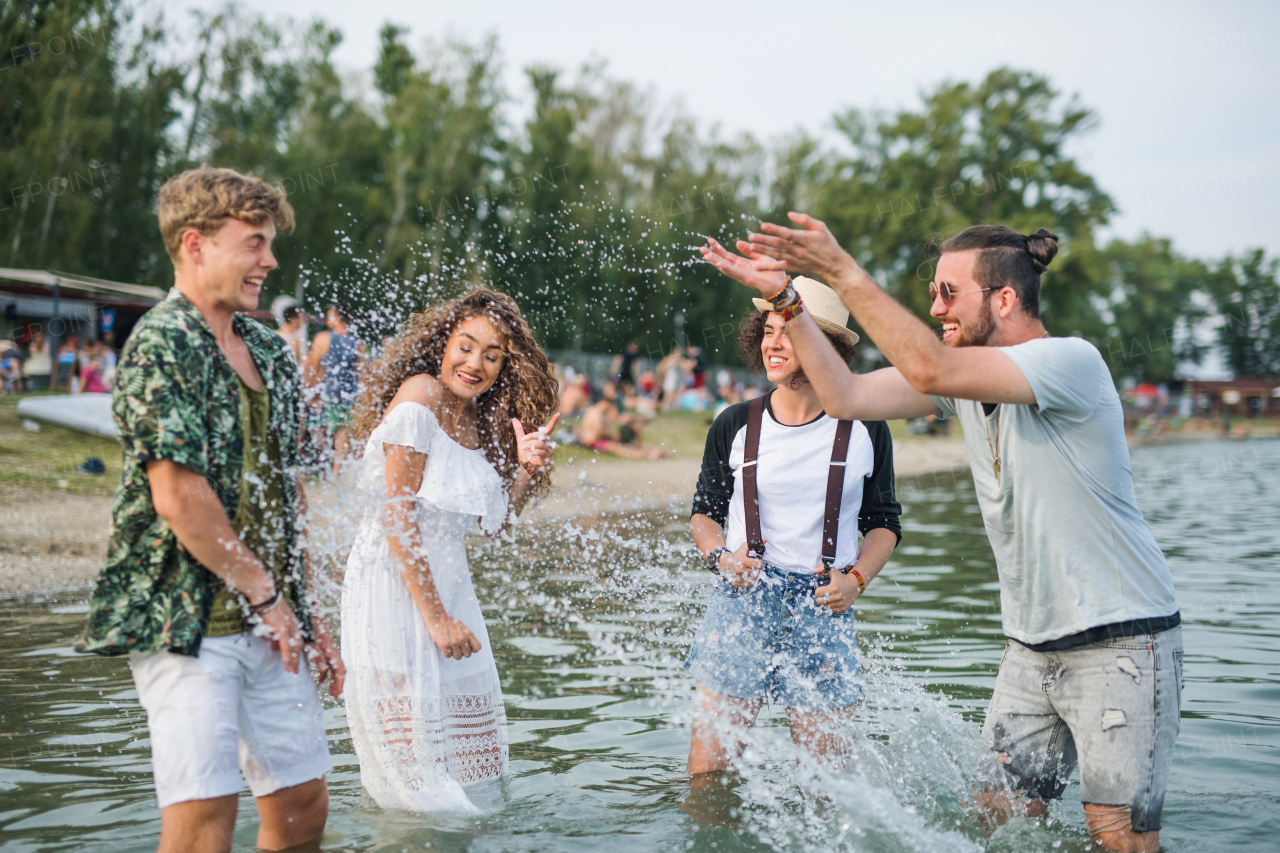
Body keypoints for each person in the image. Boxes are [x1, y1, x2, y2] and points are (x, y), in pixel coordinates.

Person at [702, 216, 1182, 853]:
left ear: (1004, 299)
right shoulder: (961, 389)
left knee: (1116, 835)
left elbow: (927, 368)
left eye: (948, 292)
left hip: (1121, 641)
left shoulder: (1072, 363)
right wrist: (789, 302)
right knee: (996, 824)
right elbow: (842, 393)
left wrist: (841, 269)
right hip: (1030, 649)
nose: (934, 307)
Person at [75, 166, 344, 853]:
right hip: (185, 615)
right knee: (204, 823)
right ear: (195, 245)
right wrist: (267, 595)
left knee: (303, 806)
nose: (271, 261)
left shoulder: (265, 349)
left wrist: (306, 615)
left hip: (271, 617)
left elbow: (290, 493)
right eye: (254, 243)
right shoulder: (161, 343)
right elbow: (179, 496)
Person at [340, 287, 559, 813]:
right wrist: (435, 619)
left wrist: (526, 468)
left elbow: (496, 526)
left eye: (492, 354)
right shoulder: (421, 398)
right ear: (444, 341)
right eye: (466, 345)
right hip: (394, 586)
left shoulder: (482, 421)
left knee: (473, 767)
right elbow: (398, 516)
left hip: (450, 588)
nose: (475, 363)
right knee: (417, 778)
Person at [685, 277, 901, 778]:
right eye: (767, 330)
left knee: (826, 789)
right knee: (708, 779)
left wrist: (856, 581)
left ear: (827, 348)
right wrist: (722, 558)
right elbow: (703, 515)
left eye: (788, 331)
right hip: (742, 604)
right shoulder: (734, 423)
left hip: (823, 608)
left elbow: (884, 524)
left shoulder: (868, 427)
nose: (772, 343)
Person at [305, 302, 363, 468]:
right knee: (343, 435)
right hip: (350, 395)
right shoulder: (357, 342)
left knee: (319, 430)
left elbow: (313, 368)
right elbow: (362, 372)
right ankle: (338, 467)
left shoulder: (323, 338)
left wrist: (310, 389)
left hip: (330, 394)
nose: (327, 318)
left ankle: (327, 467)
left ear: (338, 317)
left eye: (330, 315)